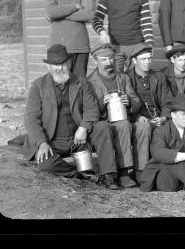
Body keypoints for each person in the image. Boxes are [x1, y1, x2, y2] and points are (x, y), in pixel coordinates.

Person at [23, 44, 121, 189]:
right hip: (52, 141)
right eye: (55, 65)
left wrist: (83, 128)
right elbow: (31, 119)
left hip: (79, 139)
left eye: (62, 64)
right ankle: (80, 174)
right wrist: (41, 143)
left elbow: (92, 110)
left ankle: (109, 175)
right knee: (45, 164)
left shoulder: (81, 83)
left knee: (103, 126)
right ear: (48, 66)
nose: (59, 68)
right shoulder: (38, 86)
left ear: (68, 63)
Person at [86, 43, 141, 188]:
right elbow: (87, 108)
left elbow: (136, 100)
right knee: (106, 128)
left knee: (123, 125)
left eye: (110, 59)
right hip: (101, 121)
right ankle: (110, 175)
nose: (108, 63)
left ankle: (123, 172)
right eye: (103, 60)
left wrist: (128, 102)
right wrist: (101, 103)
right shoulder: (89, 82)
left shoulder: (123, 78)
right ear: (95, 60)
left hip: (120, 118)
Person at [93, 0, 154, 73]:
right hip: (116, 47)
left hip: (137, 46)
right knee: (117, 78)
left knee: (137, 77)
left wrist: (149, 44)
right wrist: (102, 32)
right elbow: (96, 20)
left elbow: (146, 23)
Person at [125, 45, 173, 182]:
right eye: (143, 59)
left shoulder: (158, 76)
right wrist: (137, 117)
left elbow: (167, 100)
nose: (147, 62)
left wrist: (164, 117)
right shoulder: (127, 78)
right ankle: (141, 171)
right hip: (137, 118)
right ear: (134, 61)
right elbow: (126, 104)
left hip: (157, 116)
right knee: (144, 128)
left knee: (170, 130)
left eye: (149, 59)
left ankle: (165, 171)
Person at [44, 0, 94, 79]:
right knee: (59, 84)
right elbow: (51, 11)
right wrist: (74, 6)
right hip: (57, 46)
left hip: (80, 45)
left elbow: (89, 14)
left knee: (79, 83)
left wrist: (60, 15)